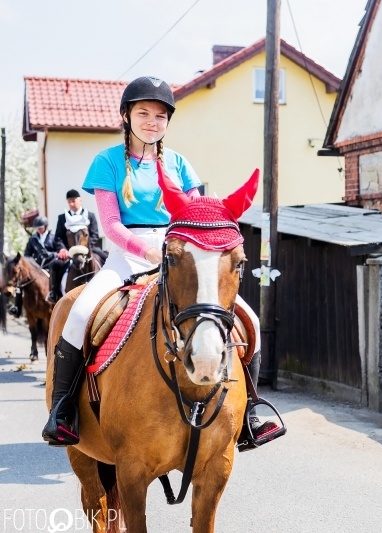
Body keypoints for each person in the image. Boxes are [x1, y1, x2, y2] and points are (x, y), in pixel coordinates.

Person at [42, 76, 274, 448]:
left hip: (179, 255)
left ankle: (250, 413)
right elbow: (111, 224)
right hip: (126, 256)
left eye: (161, 115)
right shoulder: (108, 162)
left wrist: (180, 251)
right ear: (126, 116)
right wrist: (147, 251)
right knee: (81, 312)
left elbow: (197, 217)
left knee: (251, 321)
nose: (153, 121)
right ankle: (63, 409)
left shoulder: (180, 164)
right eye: (144, 113)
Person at [48, 189, 108, 303]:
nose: (71, 204)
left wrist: (85, 247)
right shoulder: (62, 218)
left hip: (88, 249)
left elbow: (94, 234)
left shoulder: (90, 215)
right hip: (69, 251)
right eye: (69, 201)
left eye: (73, 201)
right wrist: (62, 249)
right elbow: (59, 237)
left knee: (105, 257)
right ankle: (54, 292)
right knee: (55, 264)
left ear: (80, 201)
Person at [9, 216, 58, 317]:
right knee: (20, 282)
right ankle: (17, 307)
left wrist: (50, 254)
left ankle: (56, 297)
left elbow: (59, 251)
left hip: (50, 267)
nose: (39, 230)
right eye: (37, 228)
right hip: (36, 268)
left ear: (46, 227)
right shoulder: (32, 239)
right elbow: (27, 255)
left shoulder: (53, 237)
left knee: (57, 279)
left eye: (41, 228)